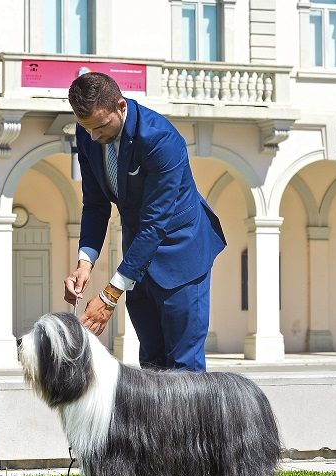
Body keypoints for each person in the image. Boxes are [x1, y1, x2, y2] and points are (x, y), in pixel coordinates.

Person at [63, 72, 226, 372]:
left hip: (182, 254)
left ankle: (191, 422)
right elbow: (95, 204)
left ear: (121, 107)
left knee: (183, 369)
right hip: (139, 258)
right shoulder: (87, 133)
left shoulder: (161, 139)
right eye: (86, 128)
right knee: (151, 365)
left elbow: (155, 222)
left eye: (100, 126)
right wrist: (84, 263)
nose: (93, 136)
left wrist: (110, 295)